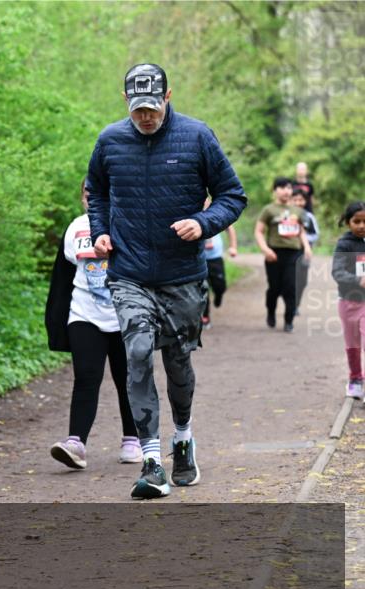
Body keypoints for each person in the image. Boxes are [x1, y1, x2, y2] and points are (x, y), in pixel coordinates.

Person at [87, 63, 247, 499]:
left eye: (153, 109)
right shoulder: (110, 140)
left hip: (182, 276)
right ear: (126, 102)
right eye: (138, 110)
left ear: (169, 95)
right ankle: (152, 460)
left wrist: (204, 222)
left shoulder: (197, 137)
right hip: (129, 273)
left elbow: (234, 195)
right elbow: (96, 192)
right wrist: (100, 230)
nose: (146, 117)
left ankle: (183, 437)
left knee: (177, 362)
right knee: (137, 351)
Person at [45, 180, 141, 470]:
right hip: (84, 313)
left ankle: (132, 439)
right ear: (82, 199)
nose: (92, 200)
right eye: (87, 196)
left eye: (100, 195)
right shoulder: (75, 228)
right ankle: (76, 443)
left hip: (124, 316)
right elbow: (63, 274)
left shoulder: (130, 223)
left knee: (128, 380)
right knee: (86, 377)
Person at [254, 177, 313, 332]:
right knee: (274, 288)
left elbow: (301, 231)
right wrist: (265, 250)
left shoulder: (298, 211)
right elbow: (259, 231)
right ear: (275, 191)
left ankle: (289, 320)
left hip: (294, 253)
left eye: (288, 188)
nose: (286, 191)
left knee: (290, 287)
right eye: (282, 187)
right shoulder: (269, 210)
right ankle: (271, 311)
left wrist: (306, 247)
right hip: (274, 253)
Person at [330, 201, 365, 398]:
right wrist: (358, 280)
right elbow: (337, 272)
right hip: (349, 302)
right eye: (356, 221)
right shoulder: (344, 244)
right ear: (348, 222)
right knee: (353, 345)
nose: (361, 225)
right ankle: (355, 379)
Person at [202, 199, 239, 327]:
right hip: (199, 259)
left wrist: (233, 247)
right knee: (203, 288)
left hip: (216, 257)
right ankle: (205, 316)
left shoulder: (216, 213)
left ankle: (219, 295)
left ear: (209, 200)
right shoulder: (191, 213)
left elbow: (230, 229)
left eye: (206, 199)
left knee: (220, 286)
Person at [290, 188, 319, 314]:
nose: (298, 202)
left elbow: (315, 234)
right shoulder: (286, 215)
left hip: (304, 253)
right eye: (295, 199)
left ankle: (295, 305)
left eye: (301, 200)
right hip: (289, 252)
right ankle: (289, 304)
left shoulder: (309, 217)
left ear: (305, 201)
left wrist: (303, 238)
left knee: (302, 281)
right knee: (289, 280)